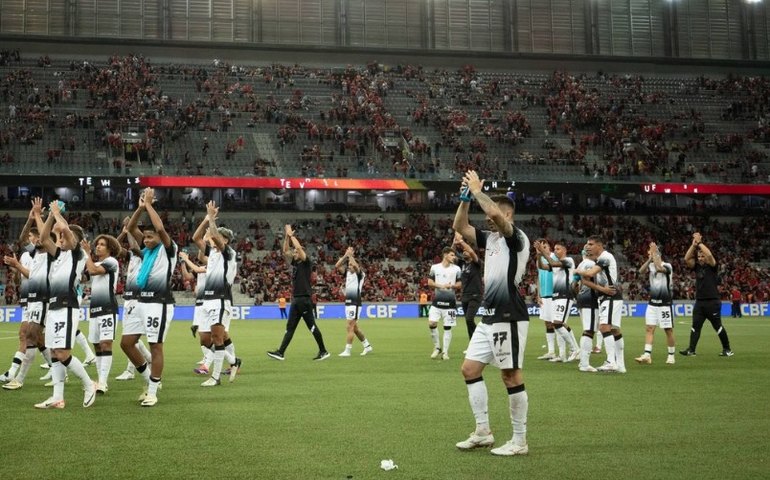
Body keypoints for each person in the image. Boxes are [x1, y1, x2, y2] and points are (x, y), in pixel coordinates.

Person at [453, 170, 531, 456]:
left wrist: (477, 191)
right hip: (490, 315)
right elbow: (460, 227)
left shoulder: (515, 237)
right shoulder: (492, 240)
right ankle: (483, 431)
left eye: (493, 213)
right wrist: (465, 198)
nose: (486, 218)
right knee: (469, 369)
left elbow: (495, 216)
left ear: (507, 214)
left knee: (510, 376)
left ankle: (519, 441)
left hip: (509, 314)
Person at [33, 199, 96, 409]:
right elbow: (43, 238)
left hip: (67, 307)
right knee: (53, 352)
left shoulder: (78, 254)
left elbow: (68, 232)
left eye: (62, 236)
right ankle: (57, 397)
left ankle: (89, 385)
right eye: (58, 237)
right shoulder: (58, 255)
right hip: (54, 307)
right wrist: (48, 216)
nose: (59, 238)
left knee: (62, 353)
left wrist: (57, 213)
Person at [126, 187, 178, 406]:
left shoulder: (168, 248)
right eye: (144, 237)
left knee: (155, 346)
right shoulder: (145, 251)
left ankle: (153, 391)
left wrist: (149, 204)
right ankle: (148, 379)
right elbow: (130, 228)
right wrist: (139, 209)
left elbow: (159, 227)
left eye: (150, 237)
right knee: (127, 343)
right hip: (140, 302)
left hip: (159, 303)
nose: (146, 240)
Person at [1, 205, 54, 389]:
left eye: (38, 237)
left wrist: (16, 265)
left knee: (28, 336)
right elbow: (22, 239)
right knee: (36, 338)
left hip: (42, 299)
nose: (34, 240)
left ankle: (17, 377)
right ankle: (55, 371)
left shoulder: (50, 255)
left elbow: (33, 275)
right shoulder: (35, 253)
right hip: (31, 299)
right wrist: (31, 218)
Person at [192, 200, 241, 386]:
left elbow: (214, 237)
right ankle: (233, 361)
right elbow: (196, 238)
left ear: (225, 240)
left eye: (215, 237)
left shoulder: (229, 253)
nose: (211, 239)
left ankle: (216, 376)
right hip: (207, 300)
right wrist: (206, 219)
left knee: (217, 337)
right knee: (205, 339)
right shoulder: (212, 254)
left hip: (221, 299)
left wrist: (212, 219)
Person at [267, 225, 330, 361]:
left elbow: (300, 249)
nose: (294, 253)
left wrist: (292, 236)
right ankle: (281, 352)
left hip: (304, 299)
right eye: (294, 252)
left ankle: (323, 351)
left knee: (312, 326)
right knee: (290, 327)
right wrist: (287, 236)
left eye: (295, 252)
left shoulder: (307, 262)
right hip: (296, 299)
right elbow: (285, 250)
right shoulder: (296, 264)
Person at [680, 232, 733, 357]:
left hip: (712, 301)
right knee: (695, 326)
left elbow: (709, 255)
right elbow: (686, 259)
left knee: (717, 326)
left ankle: (727, 349)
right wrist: (694, 246)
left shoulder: (713, 266)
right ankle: (691, 350)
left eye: (702, 256)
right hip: (700, 302)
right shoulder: (697, 267)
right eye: (699, 256)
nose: (701, 258)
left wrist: (700, 243)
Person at [81, 233, 122, 393]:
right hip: (94, 309)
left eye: (102, 244)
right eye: (97, 244)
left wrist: (86, 253)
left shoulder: (111, 262)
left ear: (110, 248)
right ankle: (99, 379)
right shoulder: (96, 262)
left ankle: (103, 382)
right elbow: (83, 276)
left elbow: (92, 270)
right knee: (97, 345)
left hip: (107, 308)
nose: (98, 246)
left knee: (106, 343)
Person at [579, 235, 626, 373]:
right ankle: (621, 365)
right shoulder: (599, 259)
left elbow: (590, 273)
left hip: (610, 296)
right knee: (615, 330)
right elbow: (587, 279)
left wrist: (576, 271)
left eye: (591, 244)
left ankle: (611, 361)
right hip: (608, 296)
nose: (588, 246)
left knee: (604, 327)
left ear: (600, 246)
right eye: (587, 244)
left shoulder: (605, 257)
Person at [114, 219, 153, 381]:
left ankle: (131, 370)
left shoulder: (146, 254)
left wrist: (129, 230)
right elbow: (115, 248)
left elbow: (135, 247)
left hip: (140, 299)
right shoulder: (132, 255)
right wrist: (124, 232)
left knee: (130, 336)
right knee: (131, 336)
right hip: (130, 298)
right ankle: (147, 358)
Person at [536, 240, 579, 363]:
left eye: (558, 249)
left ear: (564, 250)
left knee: (558, 323)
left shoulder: (568, 261)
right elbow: (542, 267)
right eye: (554, 249)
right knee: (557, 324)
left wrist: (542, 251)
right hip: (556, 296)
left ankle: (574, 349)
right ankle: (565, 353)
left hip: (565, 295)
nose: (555, 251)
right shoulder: (555, 263)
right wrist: (539, 255)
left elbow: (552, 263)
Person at [634, 242, 676, 365]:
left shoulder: (667, 266)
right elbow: (640, 271)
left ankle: (671, 355)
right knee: (649, 328)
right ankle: (647, 355)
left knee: (668, 330)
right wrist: (649, 259)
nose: (649, 253)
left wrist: (655, 252)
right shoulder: (651, 265)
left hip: (664, 304)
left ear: (658, 254)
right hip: (652, 303)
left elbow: (658, 268)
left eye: (651, 252)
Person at [179, 250, 213, 375]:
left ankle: (208, 363)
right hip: (199, 304)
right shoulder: (201, 267)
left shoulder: (213, 266)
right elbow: (187, 277)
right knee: (202, 335)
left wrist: (186, 259)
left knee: (212, 336)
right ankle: (230, 360)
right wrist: (183, 263)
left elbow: (198, 270)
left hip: (209, 303)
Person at [335, 246, 373, 357]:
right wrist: (346, 256)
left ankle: (347, 350)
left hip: (355, 303)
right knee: (355, 328)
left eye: (351, 265)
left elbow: (356, 266)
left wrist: (351, 255)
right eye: (349, 265)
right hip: (348, 303)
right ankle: (367, 346)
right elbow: (337, 266)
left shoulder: (360, 275)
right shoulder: (348, 273)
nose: (349, 266)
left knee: (349, 326)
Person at [427, 246, 462, 360]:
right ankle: (437, 347)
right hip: (437, 302)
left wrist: (451, 285)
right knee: (432, 323)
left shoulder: (456, 269)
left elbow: (460, 284)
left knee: (447, 327)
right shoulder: (435, 267)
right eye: (452, 255)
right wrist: (442, 285)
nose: (454, 257)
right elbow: (430, 283)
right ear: (445, 255)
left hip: (450, 304)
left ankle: (445, 352)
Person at [572, 247, 600, 372]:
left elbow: (573, 285)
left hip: (582, 298)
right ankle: (584, 364)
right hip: (590, 298)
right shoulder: (591, 264)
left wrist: (578, 295)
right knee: (589, 331)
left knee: (587, 330)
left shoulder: (581, 264)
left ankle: (583, 362)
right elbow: (590, 280)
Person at [453, 232, 482, 340]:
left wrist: (461, 242)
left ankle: (478, 339)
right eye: (463, 251)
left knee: (469, 319)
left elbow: (471, 251)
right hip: (464, 295)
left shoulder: (477, 263)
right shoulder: (462, 264)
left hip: (475, 295)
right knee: (467, 321)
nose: (464, 252)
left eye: (466, 251)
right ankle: (472, 345)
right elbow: (451, 254)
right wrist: (455, 243)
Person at [534, 239, 557, 361]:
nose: (542, 248)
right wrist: (538, 295)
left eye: (544, 246)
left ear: (549, 248)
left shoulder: (554, 258)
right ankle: (551, 351)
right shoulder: (540, 260)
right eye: (540, 247)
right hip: (544, 296)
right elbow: (539, 277)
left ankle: (568, 350)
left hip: (554, 295)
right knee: (547, 323)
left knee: (557, 323)